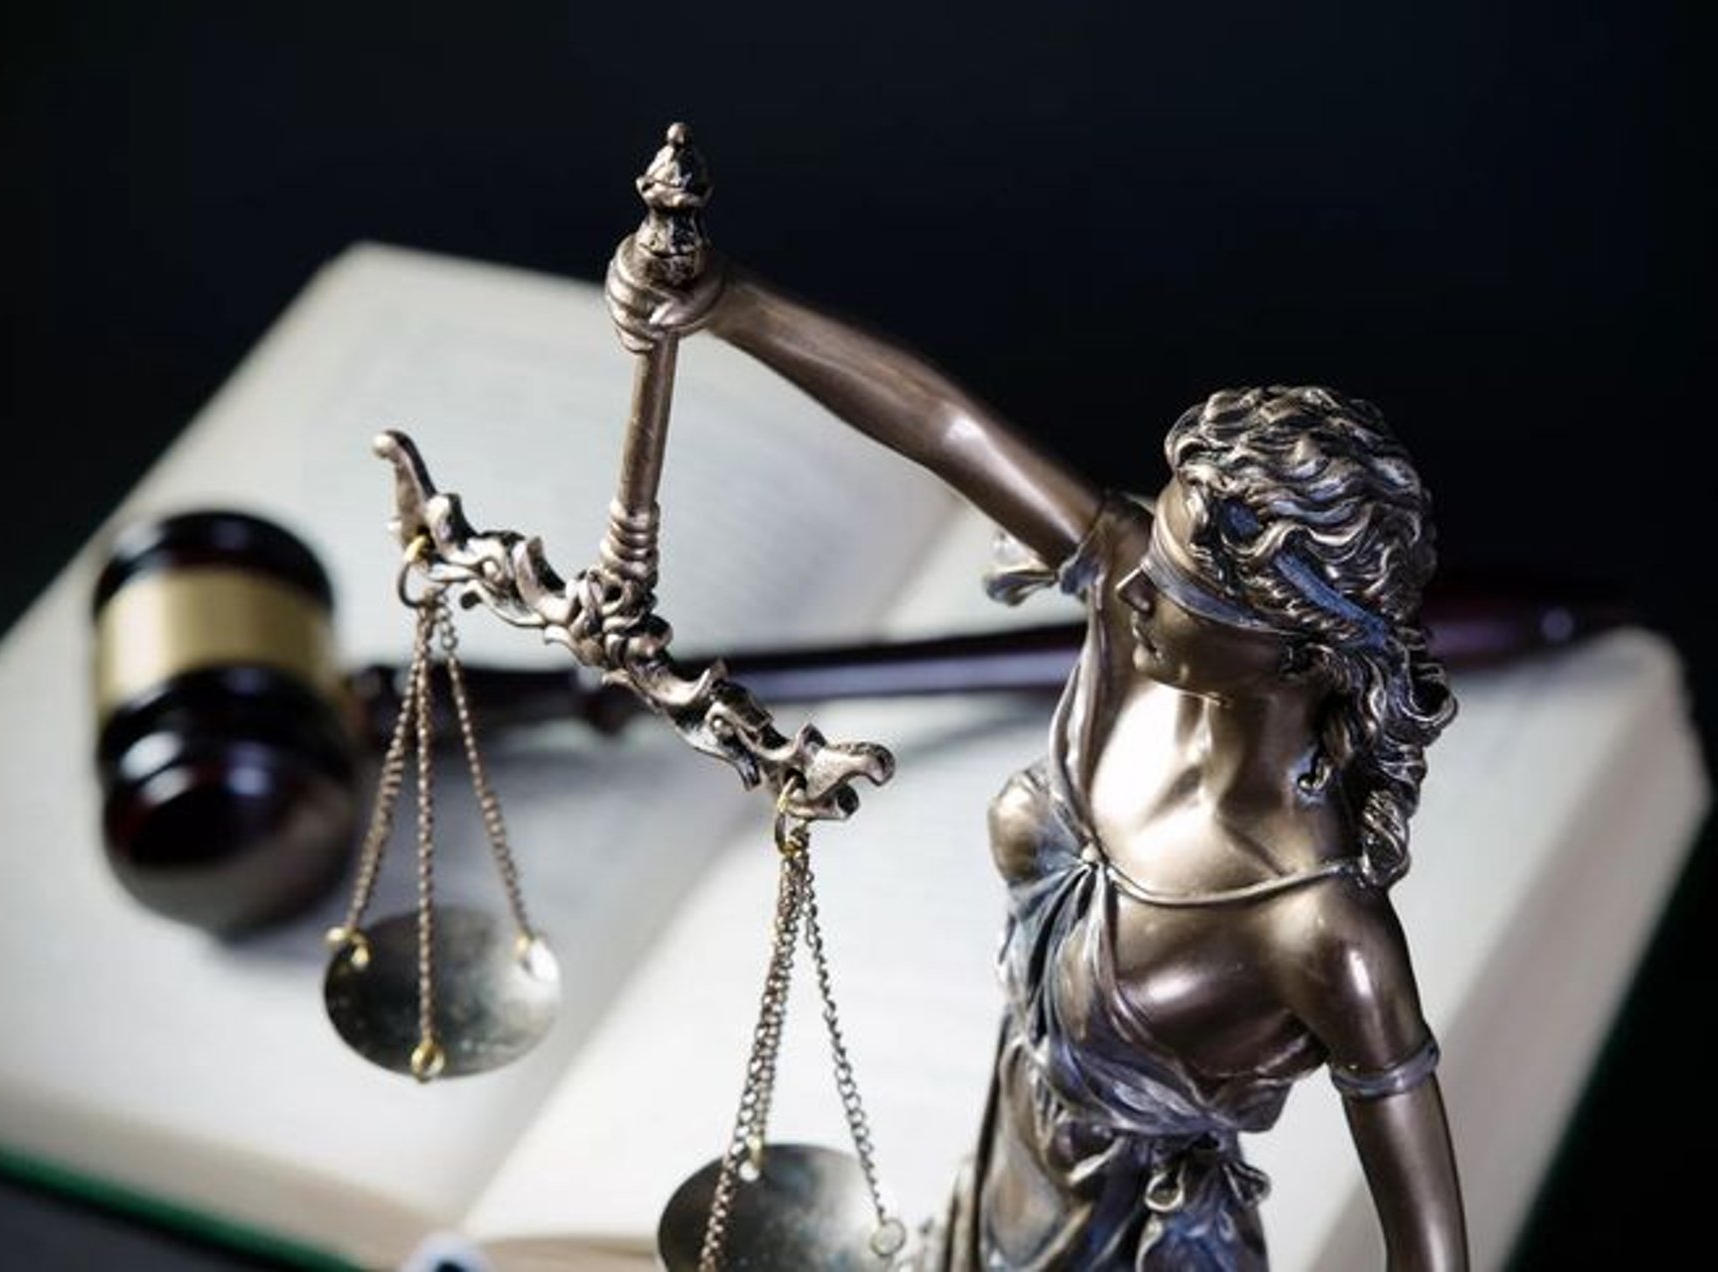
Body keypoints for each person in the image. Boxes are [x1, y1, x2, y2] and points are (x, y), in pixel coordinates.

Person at [609, 255, 1468, 1272]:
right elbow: (945, 426)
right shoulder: (1131, 615)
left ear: (1298, 647)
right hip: (1005, 1182)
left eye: (1184, 587)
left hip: (1135, 1247)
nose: (1135, 584)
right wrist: (735, 308)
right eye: (1155, 551)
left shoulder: (1323, 929)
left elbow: (1433, 1249)